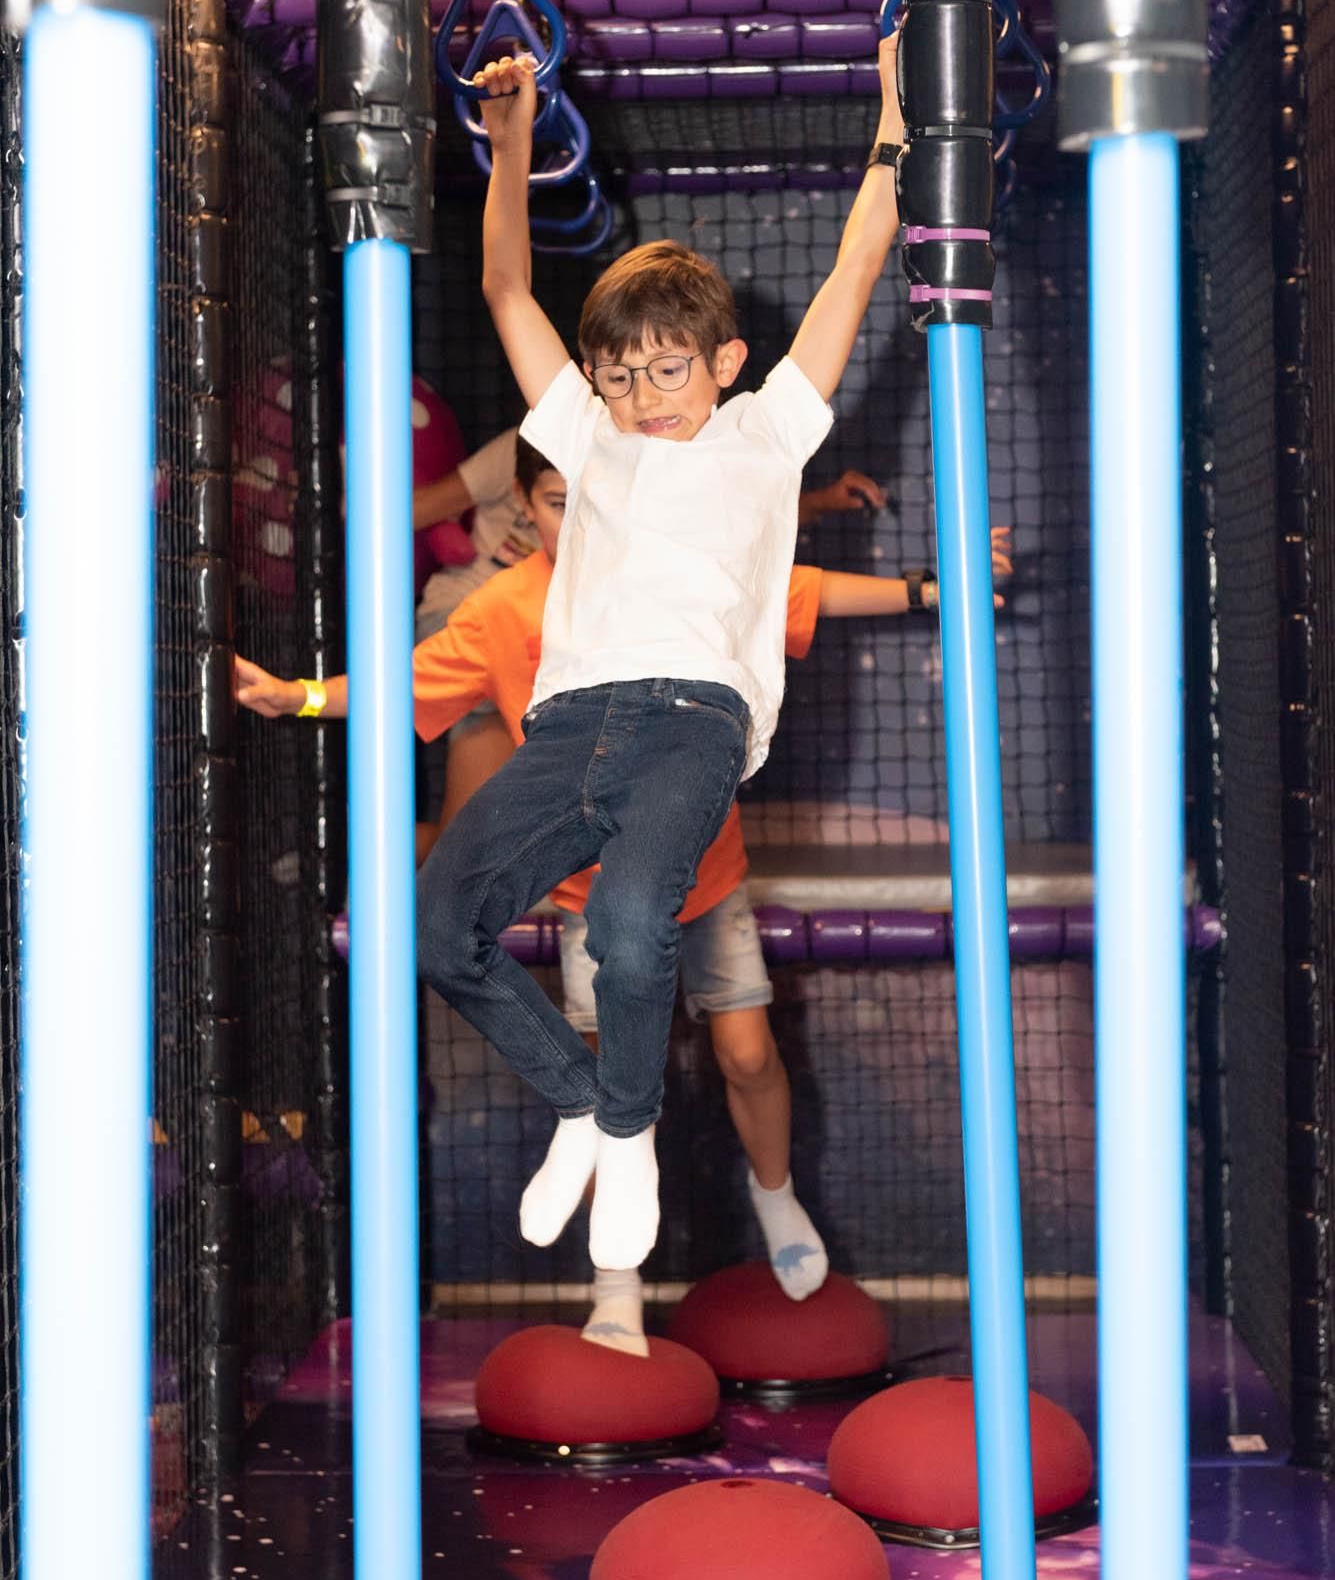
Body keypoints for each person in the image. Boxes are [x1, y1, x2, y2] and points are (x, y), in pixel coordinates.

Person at [234, 430, 1012, 1351]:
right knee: (602, 1083)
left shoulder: (674, 570)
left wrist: (928, 588)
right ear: (523, 509)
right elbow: (405, 681)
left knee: (747, 1055)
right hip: (585, 891)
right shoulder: (505, 607)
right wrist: (297, 696)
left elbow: (796, 589)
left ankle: (776, 1197)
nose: (579, 518)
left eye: (593, 498)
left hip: (701, 876)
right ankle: (616, 1283)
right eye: (557, 503)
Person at [395, 32, 909, 1275]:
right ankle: (585, 1104)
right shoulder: (590, 439)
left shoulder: (765, 433)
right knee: (441, 927)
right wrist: (509, 146)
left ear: (723, 364)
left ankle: (627, 1134)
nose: (645, 397)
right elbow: (507, 290)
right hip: (570, 721)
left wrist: (897, 109)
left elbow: (856, 260)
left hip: (692, 720)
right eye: (622, 378)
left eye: (670, 371)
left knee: (632, 923)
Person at [409, 425, 892, 861]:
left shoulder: (636, 459)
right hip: (475, 612)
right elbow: (424, 510)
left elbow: (731, 536)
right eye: (558, 504)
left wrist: (826, 508)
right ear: (526, 499)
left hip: (561, 635)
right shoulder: (527, 465)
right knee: (473, 839)